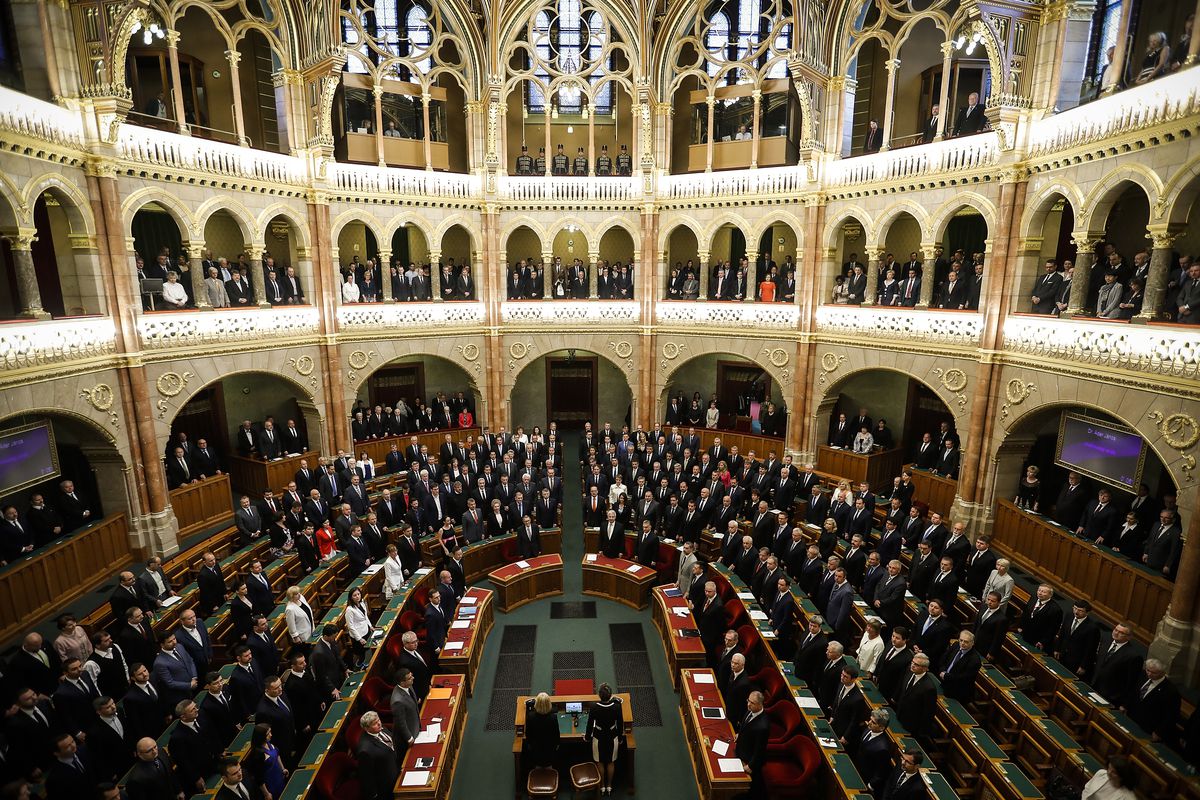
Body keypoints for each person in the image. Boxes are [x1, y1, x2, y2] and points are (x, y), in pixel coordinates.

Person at [584, 683, 624, 795]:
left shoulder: (594, 707)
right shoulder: (616, 706)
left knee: (600, 762)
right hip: (612, 736)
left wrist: (587, 737)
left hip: (598, 737)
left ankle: (602, 786)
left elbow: (590, 724)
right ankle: (609, 786)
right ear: (610, 695)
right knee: (611, 762)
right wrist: (620, 738)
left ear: (599, 695)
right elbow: (620, 723)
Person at [734, 690, 769, 798]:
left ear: (760, 704)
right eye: (748, 701)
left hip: (748, 759)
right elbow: (745, 724)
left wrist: (750, 765)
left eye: (752, 703)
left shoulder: (763, 726)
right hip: (740, 750)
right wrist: (740, 734)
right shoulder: (751, 710)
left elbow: (760, 750)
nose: (748, 704)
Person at [245, 723, 287, 799]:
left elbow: (277, 755)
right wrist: (266, 794)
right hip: (270, 784)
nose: (271, 735)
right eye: (268, 734)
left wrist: (283, 769)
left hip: (279, 778)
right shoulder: (258, 753)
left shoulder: (268, 743)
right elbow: (259, 777)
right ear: (261, 736)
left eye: (270, 732)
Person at [524, 692, 560, 769]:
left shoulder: (531, 717)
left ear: (536, 704)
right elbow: (556, 735)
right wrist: (557, 745)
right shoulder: (553, 718)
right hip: (550, 752)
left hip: (535, 752)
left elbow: (528, 735)